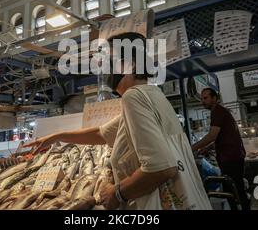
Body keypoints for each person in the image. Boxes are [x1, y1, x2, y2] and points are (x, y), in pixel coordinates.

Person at [24, 33, 211, 210]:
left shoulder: (134, 96)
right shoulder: (152, 94)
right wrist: (55, 136)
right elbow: (101, 133)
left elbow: (162, 168)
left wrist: (117, 193)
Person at [191, 88, 250, 210]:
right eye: (202, 99)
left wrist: (191, 148)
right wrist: (206, 148)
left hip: (231, 157)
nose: (203, 101)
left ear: (214, 98)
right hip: (232, 156)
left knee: (234, 190)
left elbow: (212, 136)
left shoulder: (217, 111)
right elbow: (221, 137)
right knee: (234, 189)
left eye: (206, 98)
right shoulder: (220, 112)